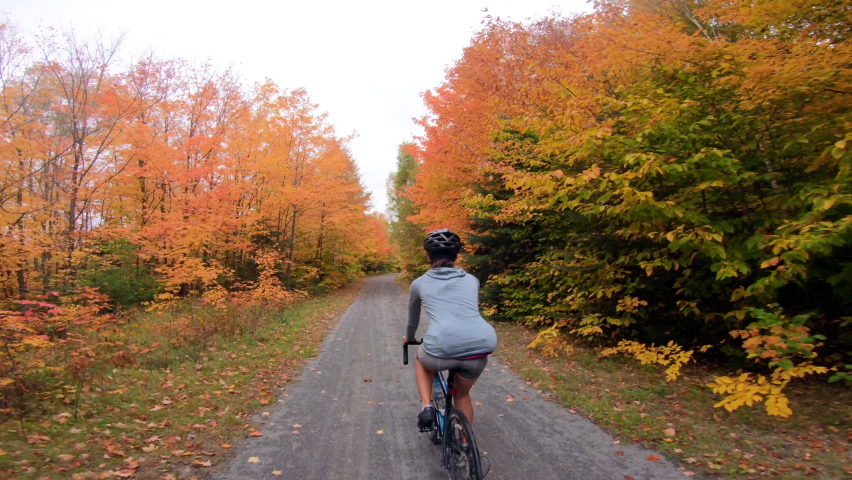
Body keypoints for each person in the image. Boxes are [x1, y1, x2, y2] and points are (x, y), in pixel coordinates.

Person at [402, 228, 498, 429]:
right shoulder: (472, 280)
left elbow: (412, 321)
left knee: (421, 359)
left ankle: (426, 406)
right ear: (456, 256)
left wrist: (410, 338)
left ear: (428, 256)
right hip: (482, 343)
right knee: (462, 394)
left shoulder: (419, 284)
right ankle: (464, 449)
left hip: (443, 344)